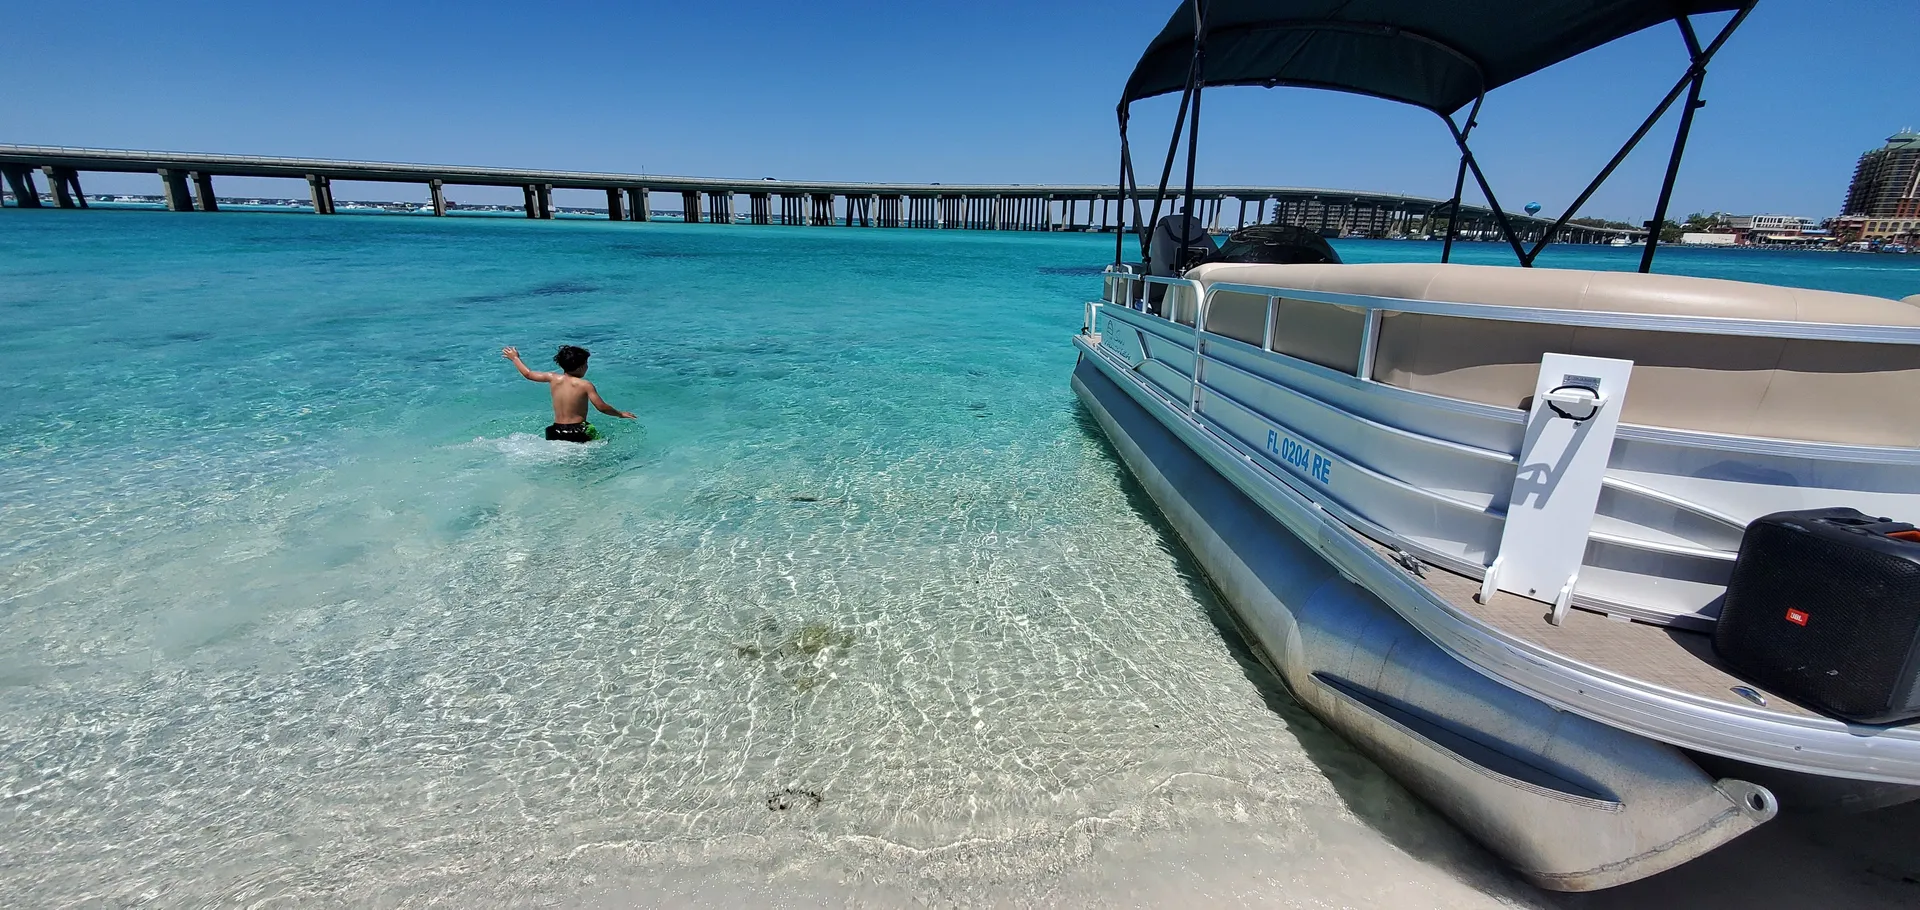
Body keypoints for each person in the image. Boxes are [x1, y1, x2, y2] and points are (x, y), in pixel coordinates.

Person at [501, 344, 635, 442]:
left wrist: (515, 358)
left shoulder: (552, 378)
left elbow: (528, 374)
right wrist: (620, 414)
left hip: (555, 431)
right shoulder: (585, 385)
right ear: (582, 366)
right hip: (578, 431)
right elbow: (601, 407)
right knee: (605, 443)